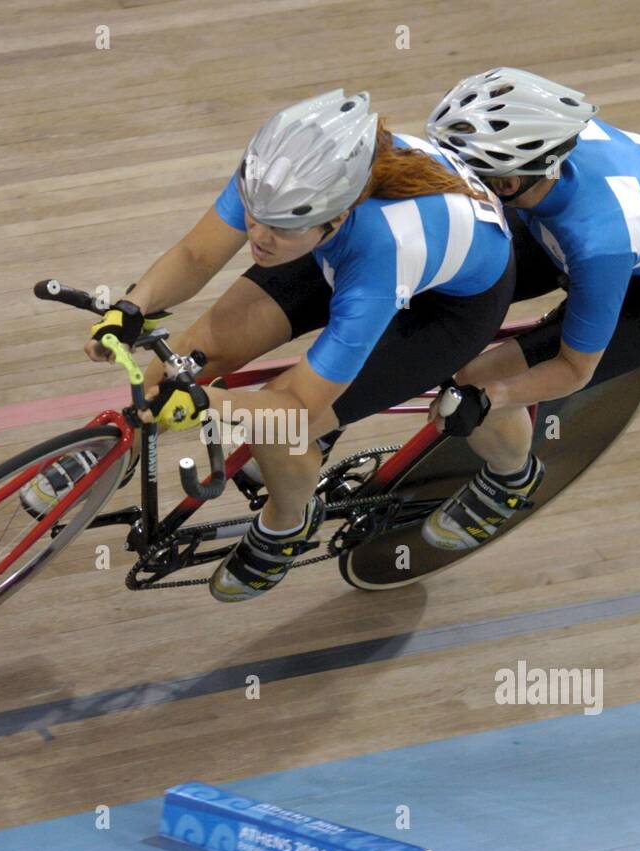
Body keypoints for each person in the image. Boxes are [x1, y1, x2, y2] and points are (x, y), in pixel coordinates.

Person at [28, 89, 516, 601]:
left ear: (337, 215)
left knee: (278, 429)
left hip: (444, 308)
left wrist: (205, 402)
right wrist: (133, 307)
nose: (257, 236)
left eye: (278, 227)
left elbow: (296, 407)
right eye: (253, 213)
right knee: (195, 352)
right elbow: (197, 254)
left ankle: (288, 524)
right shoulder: (281, 179)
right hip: (339, 250)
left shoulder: (381, 248)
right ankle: (127, 444)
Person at [421, 67, 640, 551]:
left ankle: (510, 481)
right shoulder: (546, 160)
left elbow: (574, 370)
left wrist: (489, 399)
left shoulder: (597, 240)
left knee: (475, 383)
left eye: (475, 169)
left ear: (515, 177)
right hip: (597, 221)